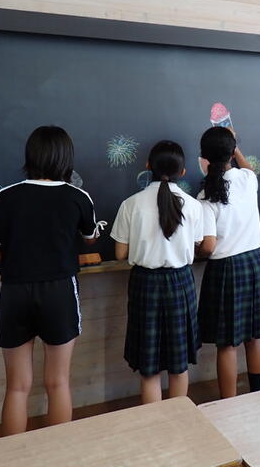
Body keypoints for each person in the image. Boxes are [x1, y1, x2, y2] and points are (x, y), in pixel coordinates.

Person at [0, 125, 101, 435]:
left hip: (15, 291)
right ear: (66, 158)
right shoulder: (78, 197)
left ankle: (12, 456)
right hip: (60, 291)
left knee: (17, 387)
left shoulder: (5, 197)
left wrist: (18, 251)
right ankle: (57, 454)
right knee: (58, 383)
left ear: (30, 156)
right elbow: (89, 238)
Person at [111, 141, 207, 404]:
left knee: (149, 366)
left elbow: (119, 253)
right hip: (181, 282)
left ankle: (154, 423)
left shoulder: (131, 204)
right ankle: (179, 419)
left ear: (147, 167)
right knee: (179, 364)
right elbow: (197, 244)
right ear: (183, 172)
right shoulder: (193, 206)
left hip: (145, 283)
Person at [197, 127, 260, 397]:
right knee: (254, 336)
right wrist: (235, 145)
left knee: (227, 343)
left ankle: (228, 403)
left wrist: (196, 251)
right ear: (231, 154)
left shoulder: (205, 195)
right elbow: (248, 168)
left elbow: (208, 246)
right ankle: (257, 394)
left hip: (225, 269)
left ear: (204, 158)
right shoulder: (247, 179)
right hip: (254, 262)